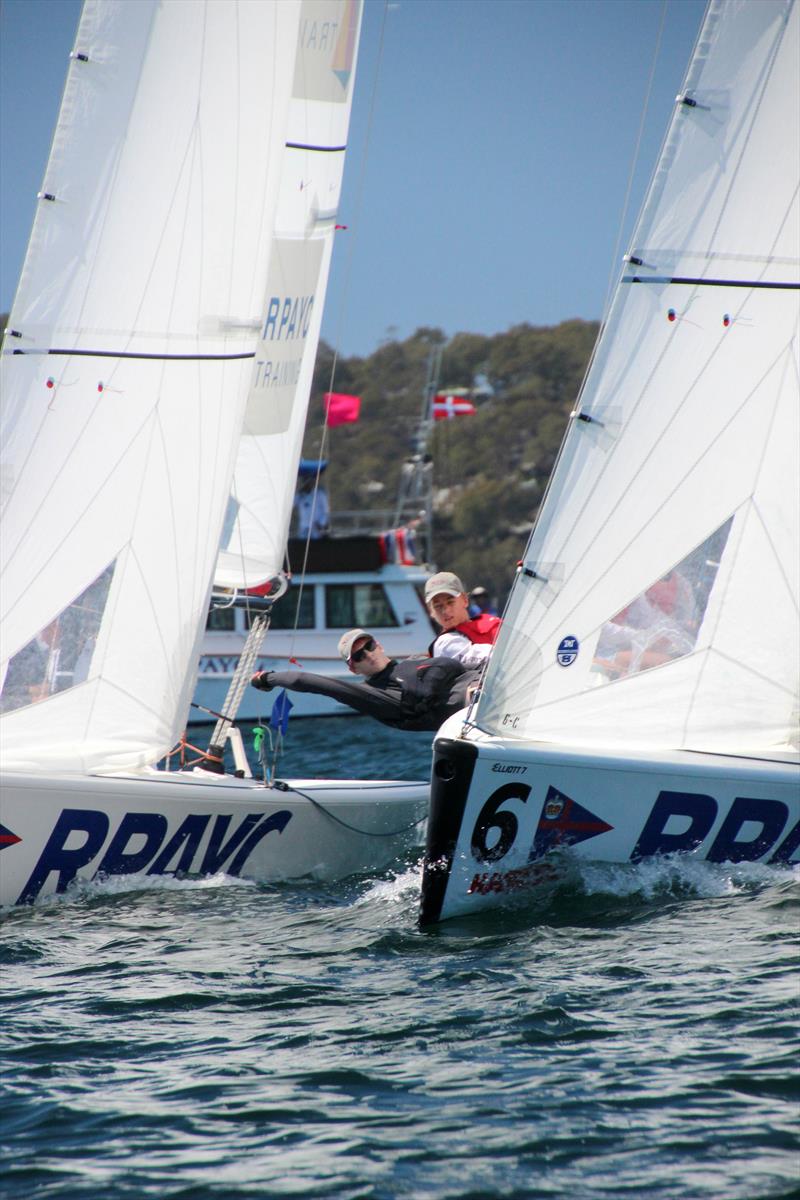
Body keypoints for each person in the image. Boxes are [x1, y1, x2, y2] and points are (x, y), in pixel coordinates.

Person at [250, 628, 482, 731]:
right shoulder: (374, 696)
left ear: (378, 644)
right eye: (360, 655)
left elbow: (461, 666)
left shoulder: (414, 662)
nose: (369, 654)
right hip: (478, 706)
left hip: (489, 680)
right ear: (353, 668)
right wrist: (269, 678)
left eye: (369, 646)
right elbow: (307, 680)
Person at [424, 572, 501, 667]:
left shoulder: (492, 621)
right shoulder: (445, 643)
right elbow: (489, 658)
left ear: (465, 600)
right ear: (431, 611)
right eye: (438, 606)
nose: (445, 610)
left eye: (450, 602)